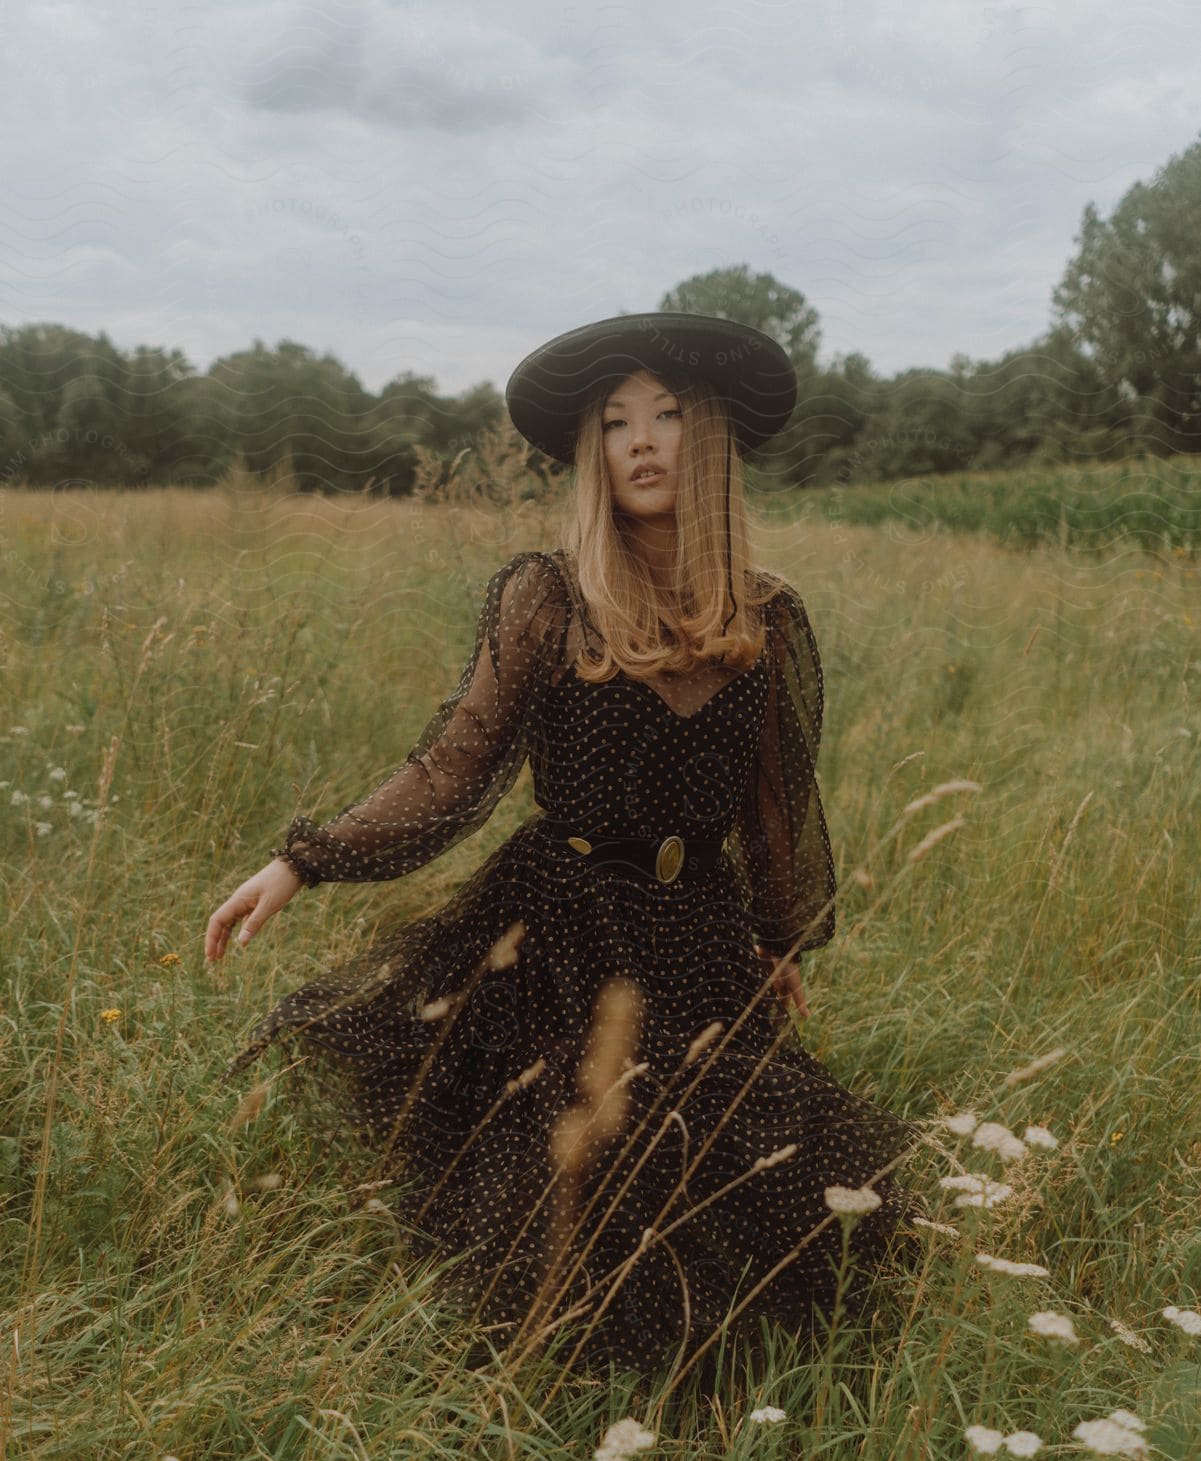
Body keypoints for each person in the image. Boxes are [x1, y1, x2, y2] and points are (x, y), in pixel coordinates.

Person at [205, 311, 924, 1382]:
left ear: (710, 438)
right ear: (593, 452)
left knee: (762, 1184)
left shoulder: (768, 619)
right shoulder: (549, 594)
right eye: (616, 421)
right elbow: (451, 771)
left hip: (695, 933)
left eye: (668, 416)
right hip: (559, 926)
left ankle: (735, 1379)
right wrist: (305, 859)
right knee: (567, 1184)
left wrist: (777, 942)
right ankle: (566, 1381)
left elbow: (777, 809)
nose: (640, 441)